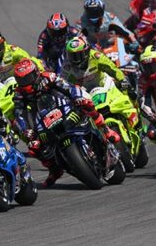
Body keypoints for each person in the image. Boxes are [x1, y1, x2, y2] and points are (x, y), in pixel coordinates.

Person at [11, 59, 120, 187]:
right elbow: (19, 115)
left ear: (36, 73)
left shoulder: (48, 77)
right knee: (34, 146)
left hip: (64, 104)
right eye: (21, 81)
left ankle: (106, 129)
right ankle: (55, 170)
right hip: (42, 117)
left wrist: (77, 97)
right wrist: (26, 129)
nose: (25, 83)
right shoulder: (19, 93)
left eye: (27, 79)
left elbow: (68, 87)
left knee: (87, 105)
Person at [60, 35, 132, 94]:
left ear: (86, 52)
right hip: (86, 94)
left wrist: (122, 80)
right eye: (71, 55)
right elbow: (63, 82)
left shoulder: (96, 56)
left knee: (128, 91)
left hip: (105, 86)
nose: (75, 59)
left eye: (78, 55)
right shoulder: (67, 66)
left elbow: (113, 69)